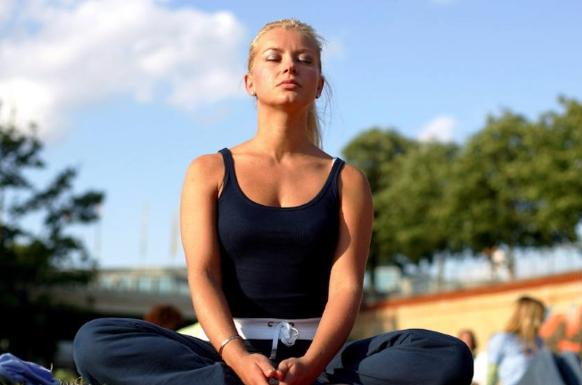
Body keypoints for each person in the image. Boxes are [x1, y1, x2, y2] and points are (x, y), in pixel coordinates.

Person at [72, 19, 473, 385]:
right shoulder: (209, 171)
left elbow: (347, 286)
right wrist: (240, 358)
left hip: (321, 360)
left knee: (446, 354)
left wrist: (312, 364)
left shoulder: (348, 180)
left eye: (305, 59)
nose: (290, 67)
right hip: (228, 354)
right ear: (249, 81)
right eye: (274, 57)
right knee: (97, 340)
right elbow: (203, 276)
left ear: (318, 83)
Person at [486, 296, 545, 385]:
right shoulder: (503, 339)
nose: (542, 321)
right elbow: (491, 372)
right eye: (538, 317)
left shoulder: (539, 341)